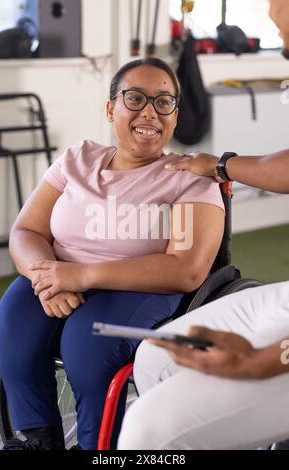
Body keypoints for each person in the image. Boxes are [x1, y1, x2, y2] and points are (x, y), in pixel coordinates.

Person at [0, 57, 225, 450]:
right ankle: (39, 440)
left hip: (140, 289)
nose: (149, 111)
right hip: (60, 276)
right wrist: (42, 275)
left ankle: (97, 448)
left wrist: (81, 277)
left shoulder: (187, 177)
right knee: (15, 319)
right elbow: (27, 230)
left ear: (175, 115)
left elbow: (185, 269)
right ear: (110, 108)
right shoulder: (76, 160)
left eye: (163, 101)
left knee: (89, 343)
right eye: (134, 98)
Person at [117, 0, 289, 451]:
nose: (272, 12)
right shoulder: (79, 161)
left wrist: (264, 362)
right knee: (156, 354)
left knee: (144, 431)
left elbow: (188, 271)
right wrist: (221, 164)